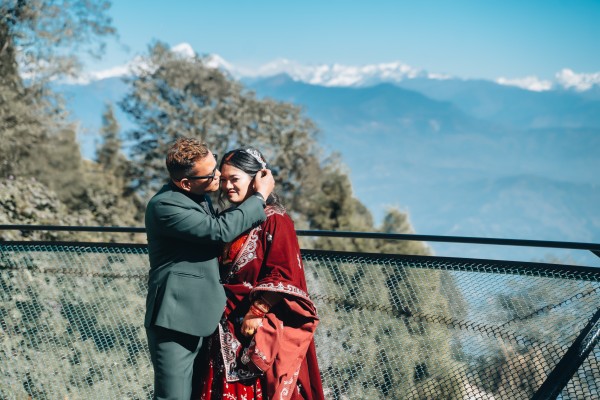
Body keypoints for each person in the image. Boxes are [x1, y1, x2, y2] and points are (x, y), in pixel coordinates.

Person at [144, 137, 275, 400]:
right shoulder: (165, 206)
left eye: (214, 165)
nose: (218, 176)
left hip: (203, 317)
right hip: (175, 319)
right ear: (185, 183)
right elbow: (218, 231)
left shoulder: (198, 196)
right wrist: (260, 196)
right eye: (210, 174)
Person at [197, 148, 325, 400]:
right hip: (220, 328)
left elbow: (283, 272)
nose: (227, 186)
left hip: (254, 331)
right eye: (224, 180)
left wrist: (257, 311)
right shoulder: (227, 221)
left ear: (257, 179)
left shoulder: (276, 220)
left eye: (235, 179)